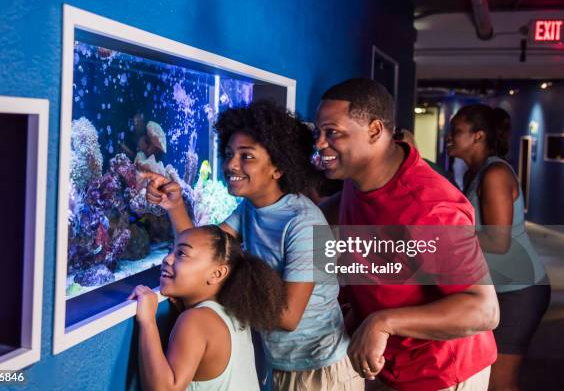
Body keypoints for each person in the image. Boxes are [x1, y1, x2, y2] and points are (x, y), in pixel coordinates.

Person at [143, 101, 360, 390]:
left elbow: (288, 317)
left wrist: (217, 285)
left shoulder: (308, 223)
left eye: (247, 156)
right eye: (230, 154)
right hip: (283, 366)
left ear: (278, 168)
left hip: (322, 371)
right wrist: (175, 205)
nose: (231, 164)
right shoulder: (249, 209)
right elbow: (203, 252)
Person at [315, 78, 499, 390]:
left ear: (374, 131)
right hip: (394, 365)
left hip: (443, 371)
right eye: (318, 133)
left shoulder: (429, 209)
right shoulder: (358, 177)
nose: (319, 143)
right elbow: (333, 210)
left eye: (332, 133)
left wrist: (382, 322)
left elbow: (484, 309)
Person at [448, 104, 551, 391]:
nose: (449, 136)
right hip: (497, 289)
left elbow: (497, 240)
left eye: (456, 131)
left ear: (478, 136)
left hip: (519, 292)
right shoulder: (475, 174)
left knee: (499, 382)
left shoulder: (494, 174)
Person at [129, 225, 286, 391]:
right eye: (171, 250)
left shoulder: (196, 320)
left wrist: (148, 322)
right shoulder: (232, 312)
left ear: (217, 274)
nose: (167, 259)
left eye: (181, 254)